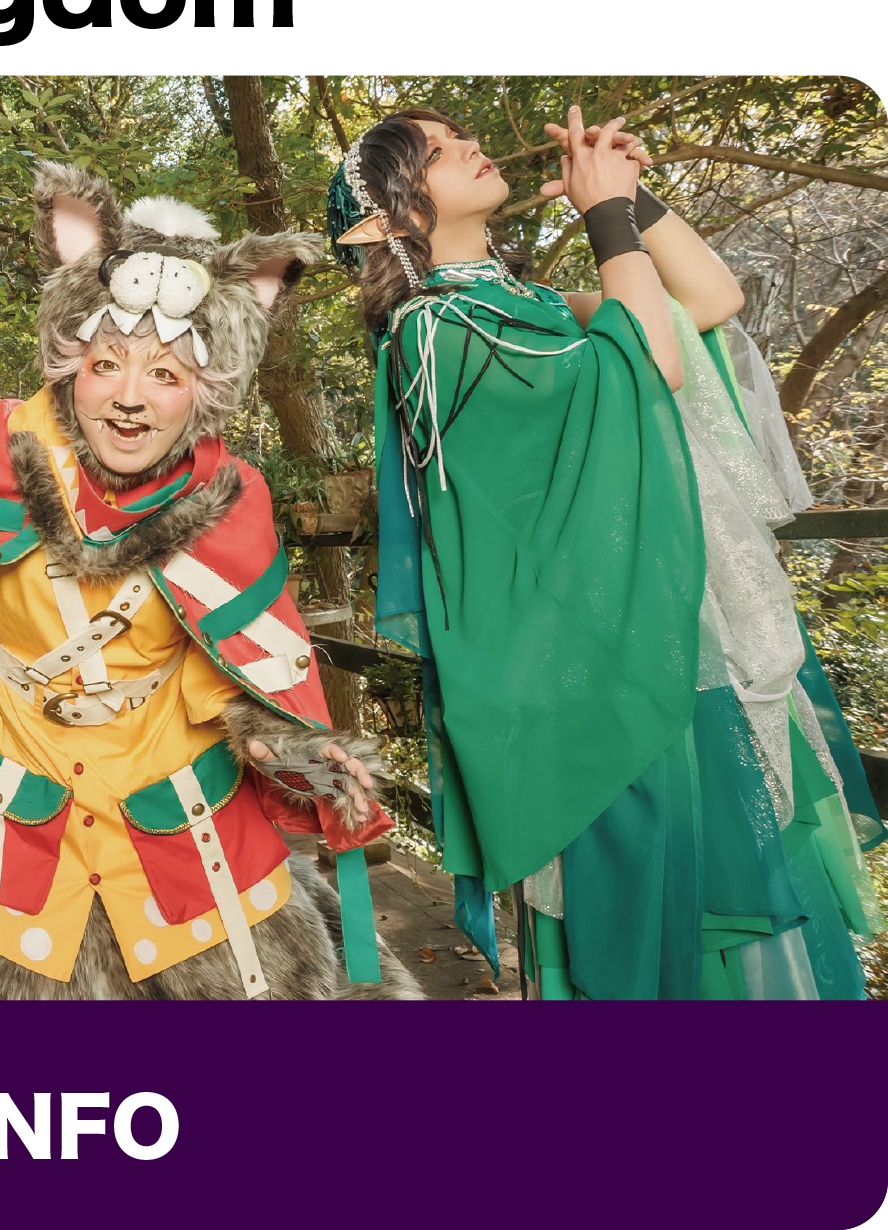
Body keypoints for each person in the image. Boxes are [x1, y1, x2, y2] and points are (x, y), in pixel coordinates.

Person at [332, 102, 883, 1000]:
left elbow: (708, 304)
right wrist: (602, 217)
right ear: (391, 214)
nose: (468, 143)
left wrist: (632, 198)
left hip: (648, 639)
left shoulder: (529, 306)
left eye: (459, 132)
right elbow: (650, 366)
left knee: (722, 890)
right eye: (434, 151)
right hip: (582, 679)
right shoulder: (432, 331)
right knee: (652, 922)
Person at [0, 162, 420, 999]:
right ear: (70, 360)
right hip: (8, 818)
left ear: (203, 391)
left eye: (164, 374)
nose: (128, 398)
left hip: (176, 828)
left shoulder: (232, 498)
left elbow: (242, 666)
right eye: (107, 363)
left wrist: (278, 741)